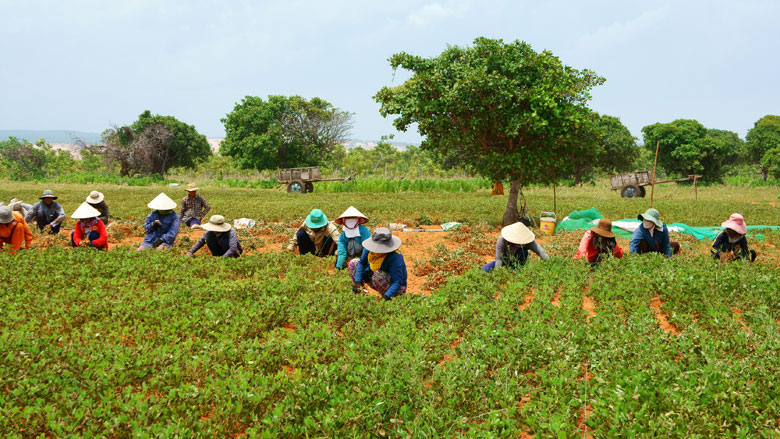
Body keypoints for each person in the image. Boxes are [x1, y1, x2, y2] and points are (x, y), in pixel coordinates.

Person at [349, 227, 407, 300]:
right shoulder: (369, 249)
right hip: (373, 278)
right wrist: (358, 282)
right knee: (353, 263)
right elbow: (362, 263)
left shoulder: (395, 256)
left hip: (396, 287)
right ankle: (360, 293)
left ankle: (388, 296)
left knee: (378, 275)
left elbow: (397, 281)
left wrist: (386, 297)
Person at [482, 221, 549, 272]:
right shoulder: (502, 240)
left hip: (518, 262)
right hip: (504, 260)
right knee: (483, 270)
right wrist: (498, 272)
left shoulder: (528, 241)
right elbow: (499, 258)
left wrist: (550, 264)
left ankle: (517, 271)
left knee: (523, 252)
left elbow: (541, 252)